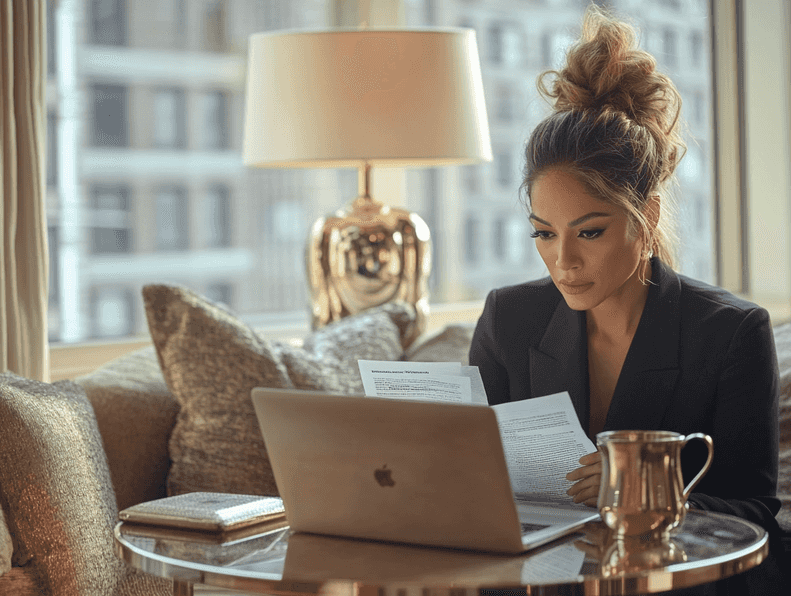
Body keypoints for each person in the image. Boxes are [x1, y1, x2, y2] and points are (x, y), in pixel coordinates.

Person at [468, 5, 786, 594]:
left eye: (589, 232)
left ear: (647, 220)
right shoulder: (509, 319)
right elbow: (472, 478)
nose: (563, 261)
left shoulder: (731, 333)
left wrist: (642, 491)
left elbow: (755, 512)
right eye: (543, 233)